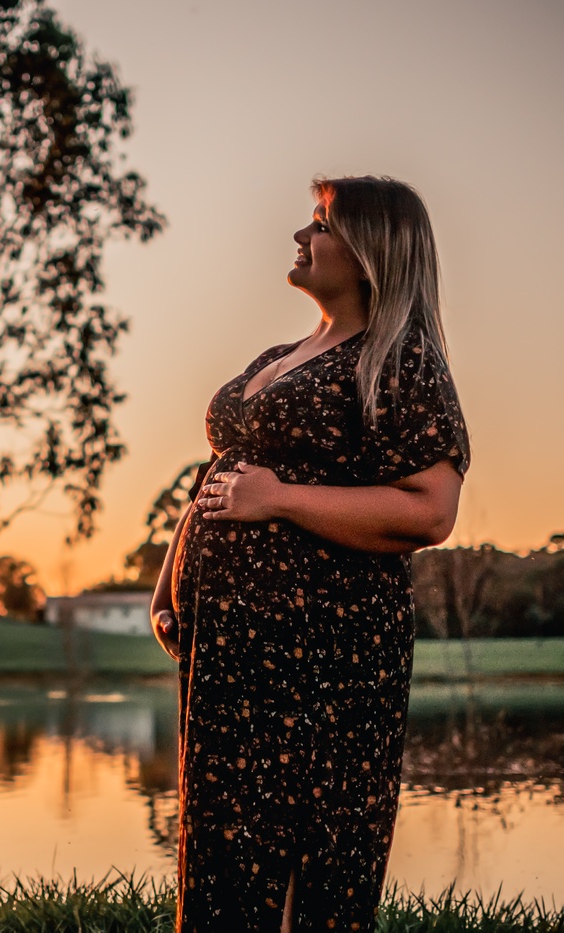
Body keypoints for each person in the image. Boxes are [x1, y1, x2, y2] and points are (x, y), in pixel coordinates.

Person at [148, 176, 470, 933]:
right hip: (232, 648)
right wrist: (168, 588)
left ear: (368, 252)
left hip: (326, 649)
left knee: (308, 839)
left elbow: (431, 509)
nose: (301, 235)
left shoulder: (400, 360)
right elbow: (222, 476)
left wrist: (282, 500)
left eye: (320, 224)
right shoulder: (282, 355)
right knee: (225, 837)